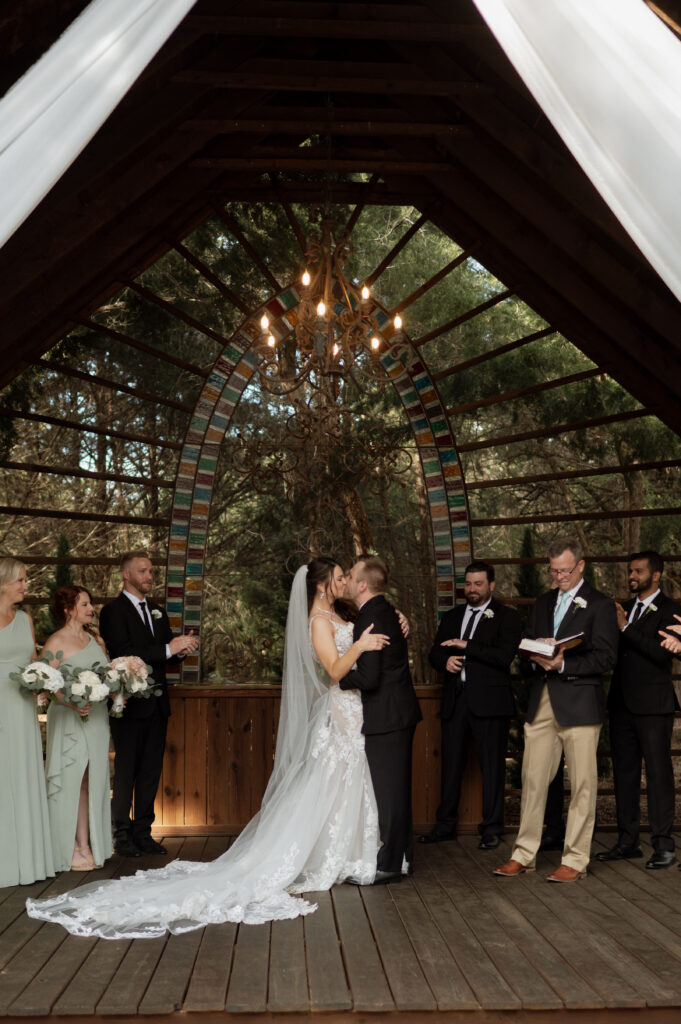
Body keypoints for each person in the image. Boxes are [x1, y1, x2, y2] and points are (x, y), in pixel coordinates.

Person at [26, 557, 391, 936]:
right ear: (321, 585)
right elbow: (334, 669)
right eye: (338, 577)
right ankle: (126, 835)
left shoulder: (341, 612)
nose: (345, 581)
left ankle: (348, 852)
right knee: (331, 777)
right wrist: (362, 644)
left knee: (340, 779)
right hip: (341, 704)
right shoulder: (317, 620)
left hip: (353, 709)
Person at [494, 538, 618, 882]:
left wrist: (565, 663)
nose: (559, 576)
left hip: (580, 703)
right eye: (553, 570)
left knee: (582, 785)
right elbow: (528, 640)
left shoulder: (601, 605)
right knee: (532, 780)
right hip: (543, 700)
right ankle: (524, 854)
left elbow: (607, 657)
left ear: (581, 566)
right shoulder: (543, 601)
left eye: (565, 570)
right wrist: (536, 651)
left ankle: (575, 859)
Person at [98, 551, 198, 858]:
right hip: (128, 705)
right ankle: (121, 835)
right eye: (143, 571)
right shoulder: (113, 612)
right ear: (126, 575)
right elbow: (124, 652)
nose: (149, 576)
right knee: (126, 771)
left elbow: (162, 652)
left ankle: (144, 833)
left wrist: (182, 648)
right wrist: (169, 647)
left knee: (150, 772)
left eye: (151, 571)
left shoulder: (157, 611)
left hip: (157, 705)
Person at [421, 561, 521, 850]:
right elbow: (434, 653)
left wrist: (467, 647)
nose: (472, 589)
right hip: (456, 700)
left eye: (478, 584)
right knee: (451, 766)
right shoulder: (452, 616)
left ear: (491, 585)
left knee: (492, 769)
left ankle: (491, 829)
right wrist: (445, 661)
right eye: (468, 584)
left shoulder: (507, 617)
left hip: (491, 704)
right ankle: (445, 826)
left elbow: (504, 657)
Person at [597, 552, 681, 869]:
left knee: (659, 776)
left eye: (639, 571)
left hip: (654, 706)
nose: (632, 575)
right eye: (630, 571)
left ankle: (663, 845)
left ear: (656, 575)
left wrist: (625, 626)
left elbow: (661, 655)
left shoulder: (672, 610)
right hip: (621, 704)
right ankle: (627, 841)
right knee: (625, 774)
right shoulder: (625, 608)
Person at [341, 556, 422, 882]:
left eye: (350, 575)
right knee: (397, 791)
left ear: (362, 584)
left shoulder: (369, 618)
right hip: (398, 711)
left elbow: (370, 678)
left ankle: (389, 864)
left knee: (390, 794)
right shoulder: (386, 610)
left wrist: (341, 677)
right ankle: (402, 858)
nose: (346, 579)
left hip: (387, 715)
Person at [42, 586, 113, 871]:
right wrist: (70, 703)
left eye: (90, 604)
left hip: (95, 717)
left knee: (88, 781)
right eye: (84, 604)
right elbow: (47, 681)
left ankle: (85, 843)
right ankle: (67, 846)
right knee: (68, 782)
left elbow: (107, 676)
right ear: (68, 609)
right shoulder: (55, 641)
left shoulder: (96, 639)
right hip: (69, 718)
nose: (90, 609)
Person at [0, 557, 54, 887]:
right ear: (3, 582)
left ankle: (26, 861)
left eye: (26, 579)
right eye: (20, 580)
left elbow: (34, 664)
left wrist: (41, 683)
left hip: (21, 708)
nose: (25, 585)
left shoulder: (25, 619)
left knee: (21, 774)